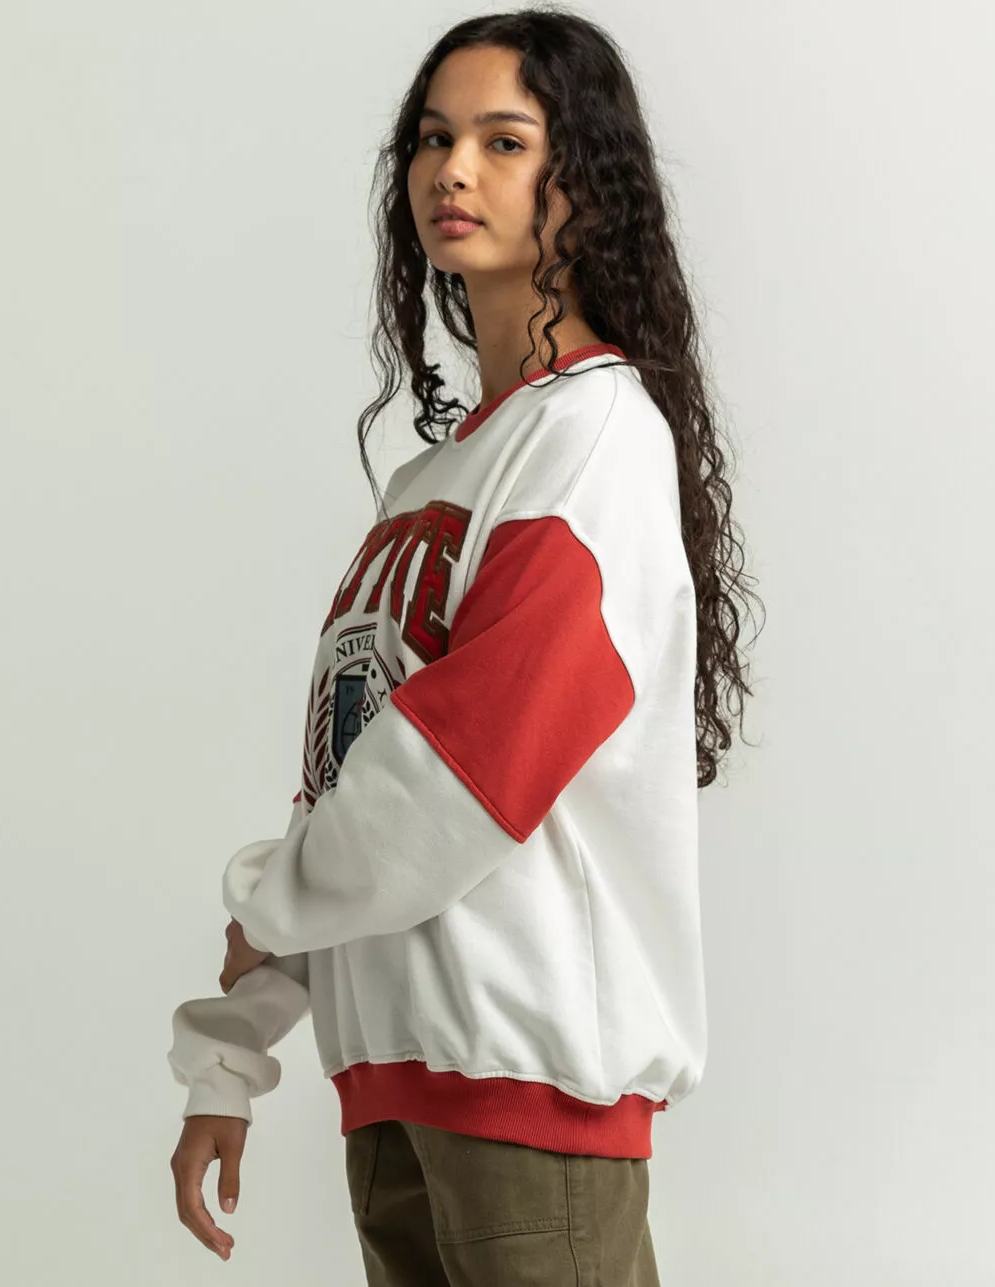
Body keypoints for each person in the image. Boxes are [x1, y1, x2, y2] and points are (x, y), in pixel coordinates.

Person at [167, 7, 763, 1283]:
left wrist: (267, 903)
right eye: (435, 139)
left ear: (582, 181)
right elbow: (349, 787)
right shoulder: (433, 480)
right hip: (394, 1079)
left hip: (527, 1084)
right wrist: (233, 1049)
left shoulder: (593, 439)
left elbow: (464, 771)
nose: (453, 171)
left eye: (504, 141)